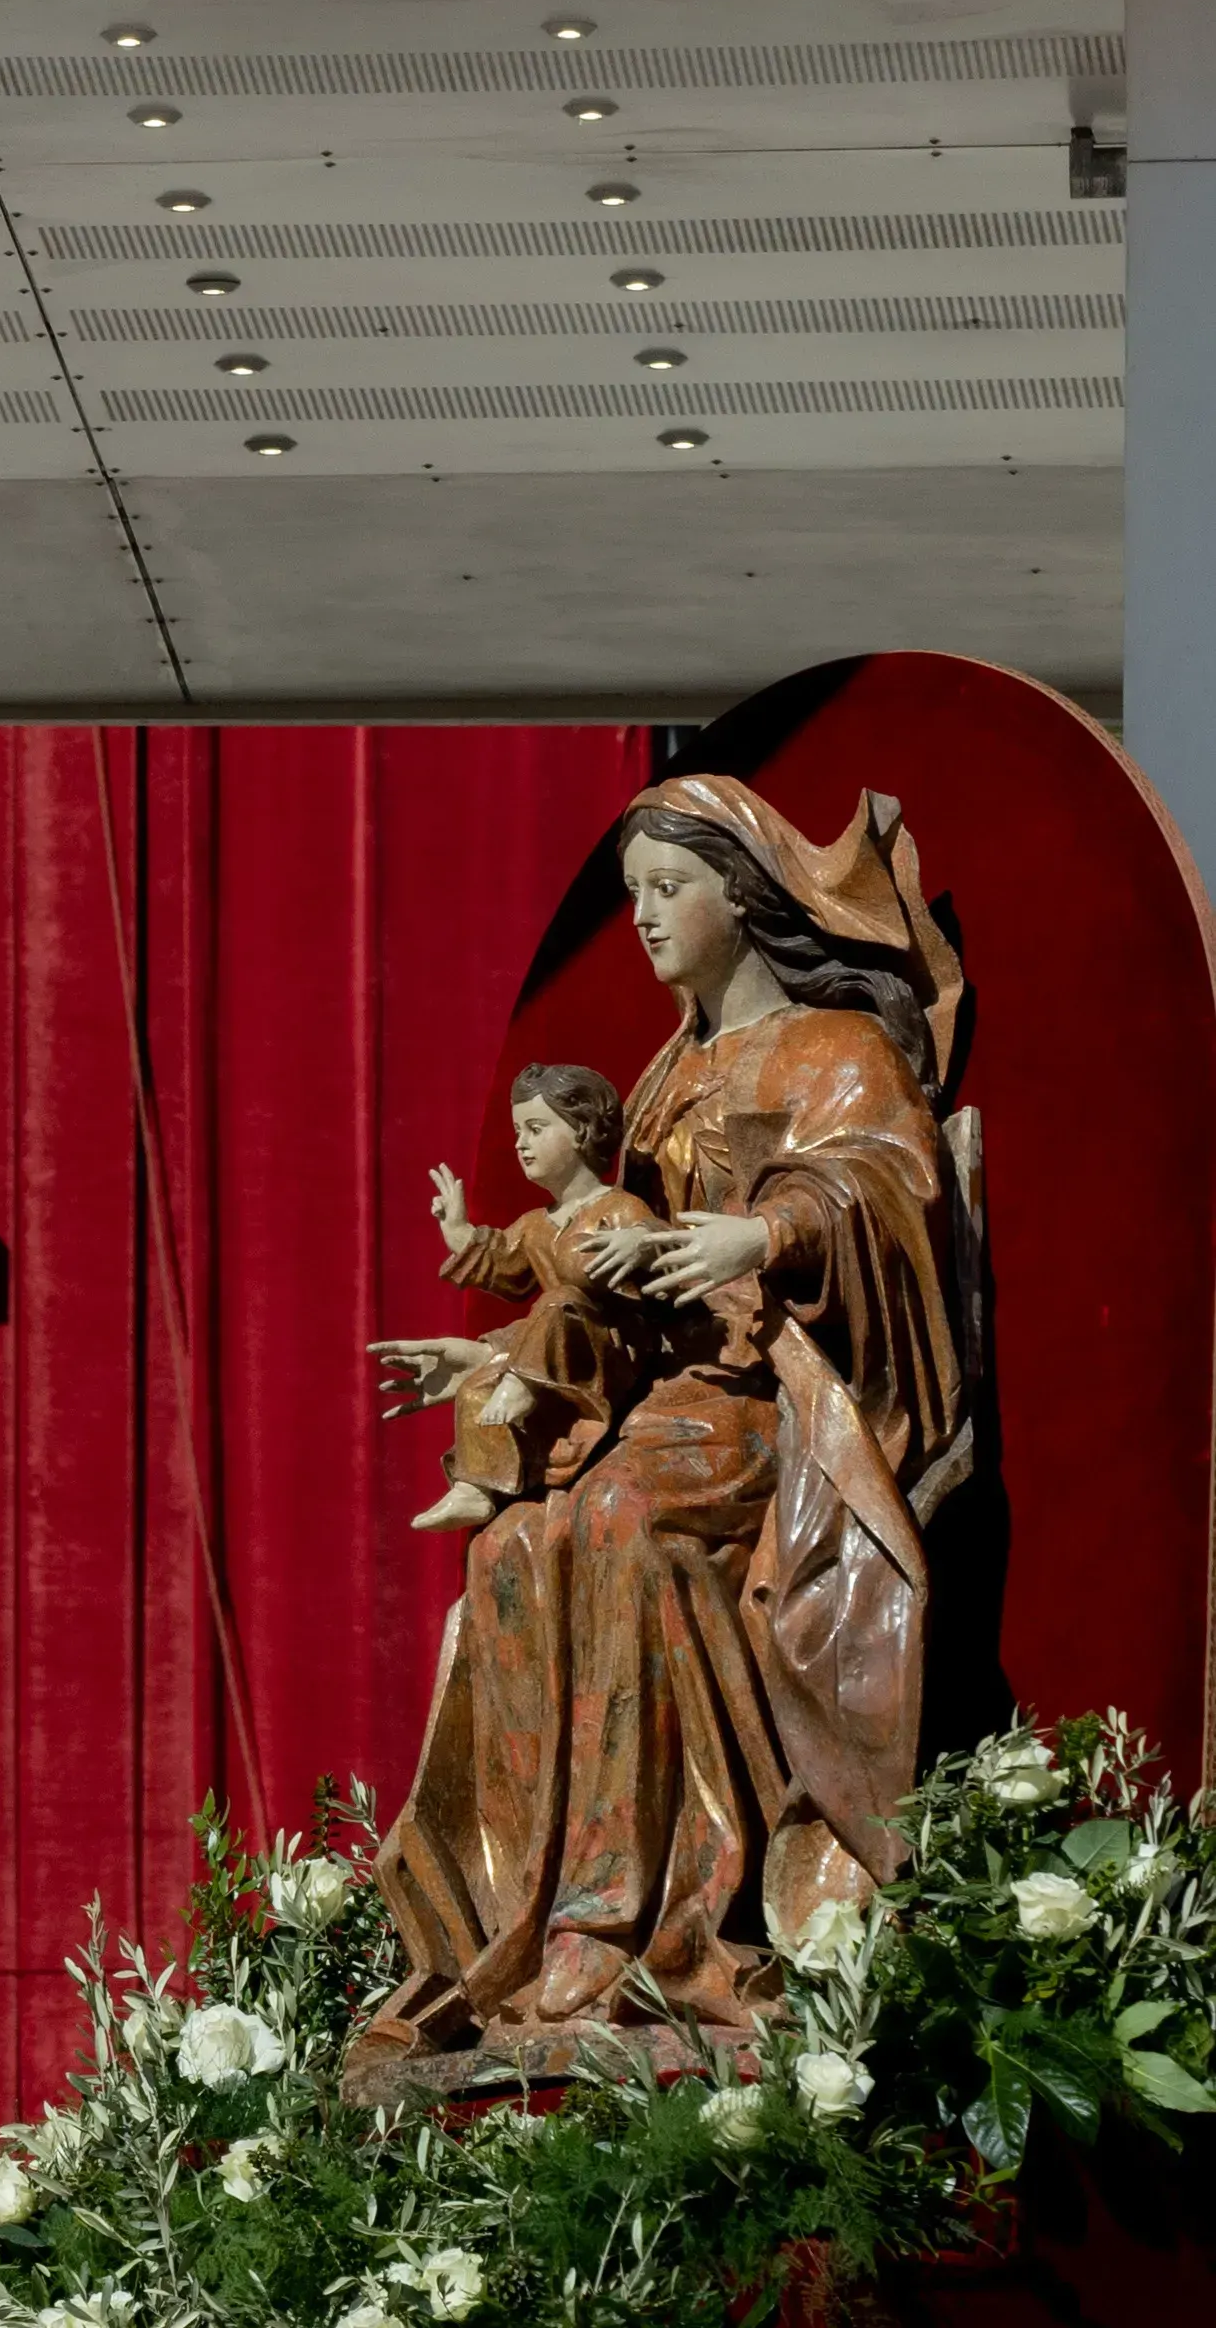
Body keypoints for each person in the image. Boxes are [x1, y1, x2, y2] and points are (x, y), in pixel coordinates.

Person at [357, 775, 975, 2076]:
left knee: (617, 1521)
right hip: (656, 1402)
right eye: (631, 893)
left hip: (777, 1406)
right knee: (517, 1552)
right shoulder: (655, 1084)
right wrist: (488, 1353)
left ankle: (664, 1916)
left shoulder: (831, 1050)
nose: (639, 918)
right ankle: (546, 1935)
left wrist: (769, 1228)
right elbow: (596, 1272)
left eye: (664, 889)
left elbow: (892, 1189)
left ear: (739, 898)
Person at [385, 1063, 678, 1534]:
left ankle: (521, 1385)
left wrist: (640, 1242)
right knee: (481, 1383)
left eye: (536, 1129)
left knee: (558, 1301)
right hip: (553, 1354)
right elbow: (504, 1265)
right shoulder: (536, 1224)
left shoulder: (617, 1207)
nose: (520, 1143)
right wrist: (460, 1233)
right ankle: (475, 1487)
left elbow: (660, 1246)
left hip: (615, 1355)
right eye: (518, 1131)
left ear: (582, 1132)